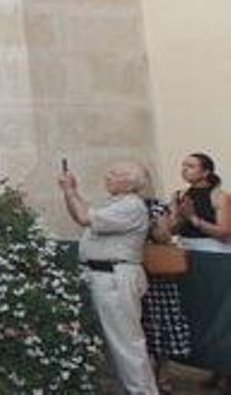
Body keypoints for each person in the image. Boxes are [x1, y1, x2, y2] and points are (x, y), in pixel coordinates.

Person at [59, 160, 158, 395]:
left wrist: (70, 190)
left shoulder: (131, 206)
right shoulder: (116, 203)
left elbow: (84, 217)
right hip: (103, 275)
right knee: (115, 346)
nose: (107, 176)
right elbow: (82, 213)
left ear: (131, 183)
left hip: (115, 277)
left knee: (127, 345)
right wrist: (69, 193)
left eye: (115, 173)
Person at [143, 191, 192, 393]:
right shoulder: (150, 206)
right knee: (152, 325)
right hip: (146, 274)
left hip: (153, 272)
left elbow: (163, 235)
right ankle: (157, 376)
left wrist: (172, 215)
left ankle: (158, 375)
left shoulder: (153, 206)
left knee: (155, 324)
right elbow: (164, 235)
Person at [163, 152, 231, 243]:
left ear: (205, 172)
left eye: (191, 166)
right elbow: (172, 232)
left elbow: (225, 233)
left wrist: (193, 218)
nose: (184, 169)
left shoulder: (220, 196)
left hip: (214, 251)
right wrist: (176, 217)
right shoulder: (178, 195)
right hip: (184, 249)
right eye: (183, 166)